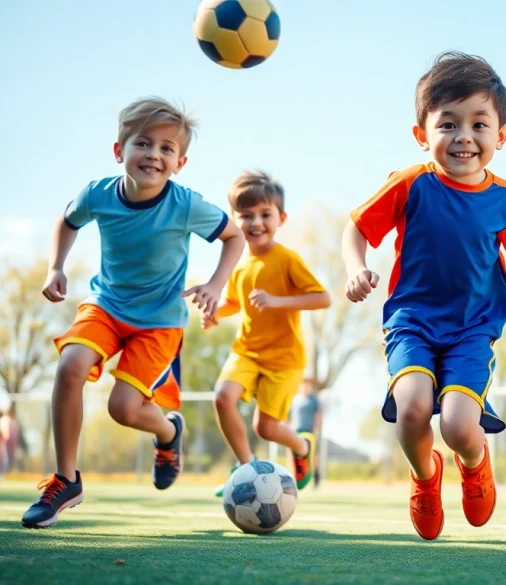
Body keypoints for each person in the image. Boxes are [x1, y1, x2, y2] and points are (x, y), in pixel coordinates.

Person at [342, 51, 506, 540]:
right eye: (448, 124)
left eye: (479, 124)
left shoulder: (505, 200)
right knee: (413, 408)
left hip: (471, 331)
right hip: (412, 323)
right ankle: (425, 478)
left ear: (501, 135)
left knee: (460, 427)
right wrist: (356, 268)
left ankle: (475, 464)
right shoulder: (411, 184)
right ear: (422, 134)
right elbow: (355, 229)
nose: (464, 136)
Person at [23, 97, 245, 529]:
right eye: (143, 143)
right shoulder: (98, 195)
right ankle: (66, 480)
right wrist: (56, 267)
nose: (153, 155)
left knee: (123, 409)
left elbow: (233, 237)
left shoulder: (186, 205)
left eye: (166, 148)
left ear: (180, 163)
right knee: (69, 366)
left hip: (159, 322)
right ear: (118, 150)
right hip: (106, 305)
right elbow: (67, 221)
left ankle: (168, 432)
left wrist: (215, 285)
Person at [205, 171, 331, 497]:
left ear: (281, 219)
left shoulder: (287, 259)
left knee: (266, 427)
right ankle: (245, 466)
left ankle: (302, 447)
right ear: (234, 219)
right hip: (246, 351)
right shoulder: (238, 263)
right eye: (246, 215)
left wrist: (278, 301)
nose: (256, 222)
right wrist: (214, 313)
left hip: (284, 359)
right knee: (222, 396)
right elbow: (234, 302)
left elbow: (322, 298)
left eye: (265, 214)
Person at [291, 377, 324, 488]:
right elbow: (289, 416)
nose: (305, 388)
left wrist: (316, 429)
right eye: (303, 385)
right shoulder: (294, 400)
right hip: (296, 431)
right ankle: (294, 477)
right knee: (295, 456)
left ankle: (315, 476)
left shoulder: (313, 400)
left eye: (308, 386)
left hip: (309, 431)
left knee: (313, 455)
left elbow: (318, 415)